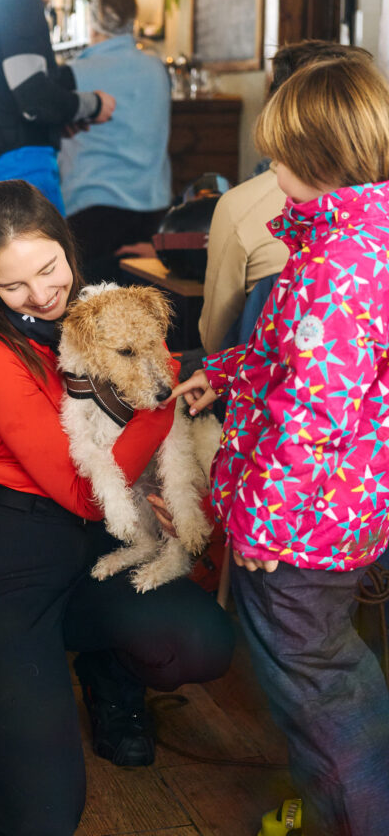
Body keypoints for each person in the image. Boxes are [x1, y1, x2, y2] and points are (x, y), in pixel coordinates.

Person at [0, 179, 234, 836]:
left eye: (48, 268)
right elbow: (86, 485)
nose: (41, 294)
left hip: (104, 541)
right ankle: (10, 712)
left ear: (66, 247)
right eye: (14, 285)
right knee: (42, 820)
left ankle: (106, 669)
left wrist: (160, 486)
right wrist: (161, 400)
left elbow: (145, 426)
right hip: (18, 551)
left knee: (202, 645)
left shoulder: (114, 311)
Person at [168, 57, 389, 836]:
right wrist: (222, 373)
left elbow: (315, 418)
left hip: (301, 526)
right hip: (343, 509)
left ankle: (357, 815)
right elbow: (286, 349)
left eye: (282, 155)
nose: (271, 167)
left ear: (322, 159)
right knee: (333, 671)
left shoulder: (338, 266)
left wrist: (261, 527)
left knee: (319, 686)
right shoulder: (353, 235)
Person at [199, 40, 372, 355]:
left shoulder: (330, 263)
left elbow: (312, 393)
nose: (276, 173)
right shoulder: (339, 231)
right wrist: (223, 374)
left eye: (283, 157)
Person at [0, 0, 115, 211]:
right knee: (48, 249)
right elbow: (35, 100)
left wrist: (60, 120)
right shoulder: (19, 2)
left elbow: (2, 93)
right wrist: (96, 104)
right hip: (21, 169)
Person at [58, 0, 171, 283]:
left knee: (91, 312)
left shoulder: (74, 72)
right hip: (153, 206)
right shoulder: (157, 68)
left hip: (91, 206)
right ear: (132, 20)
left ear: (92, 21)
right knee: (143, 312)